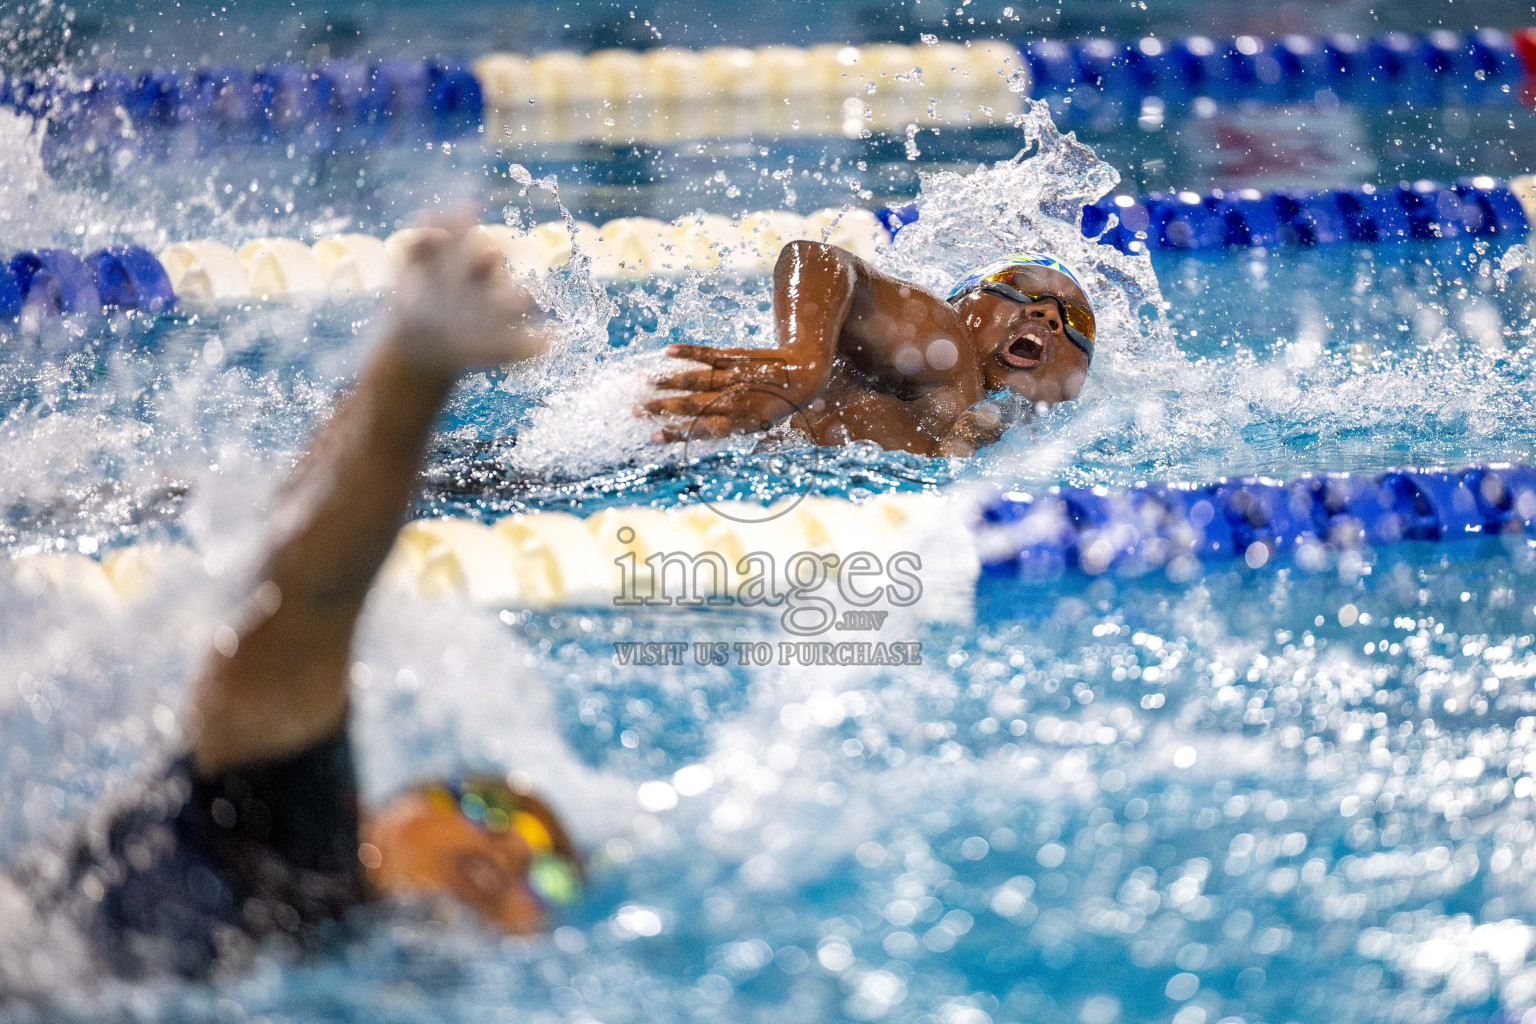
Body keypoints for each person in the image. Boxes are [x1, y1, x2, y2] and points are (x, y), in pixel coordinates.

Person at [3, 216, 580, 990]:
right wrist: (415, 372)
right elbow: (306, 597)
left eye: (551, 880)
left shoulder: (335, 949)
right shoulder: (285, 832)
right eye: (493, 813)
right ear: (393, 810)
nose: (511, 853)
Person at [641, 242, 1096, 458]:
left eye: (1077, 321)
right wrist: (804, 362)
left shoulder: (1010, 433)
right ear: (960, 304)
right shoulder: (947, 345)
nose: (1049, 315)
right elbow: (815, 258)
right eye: (1019, 288)